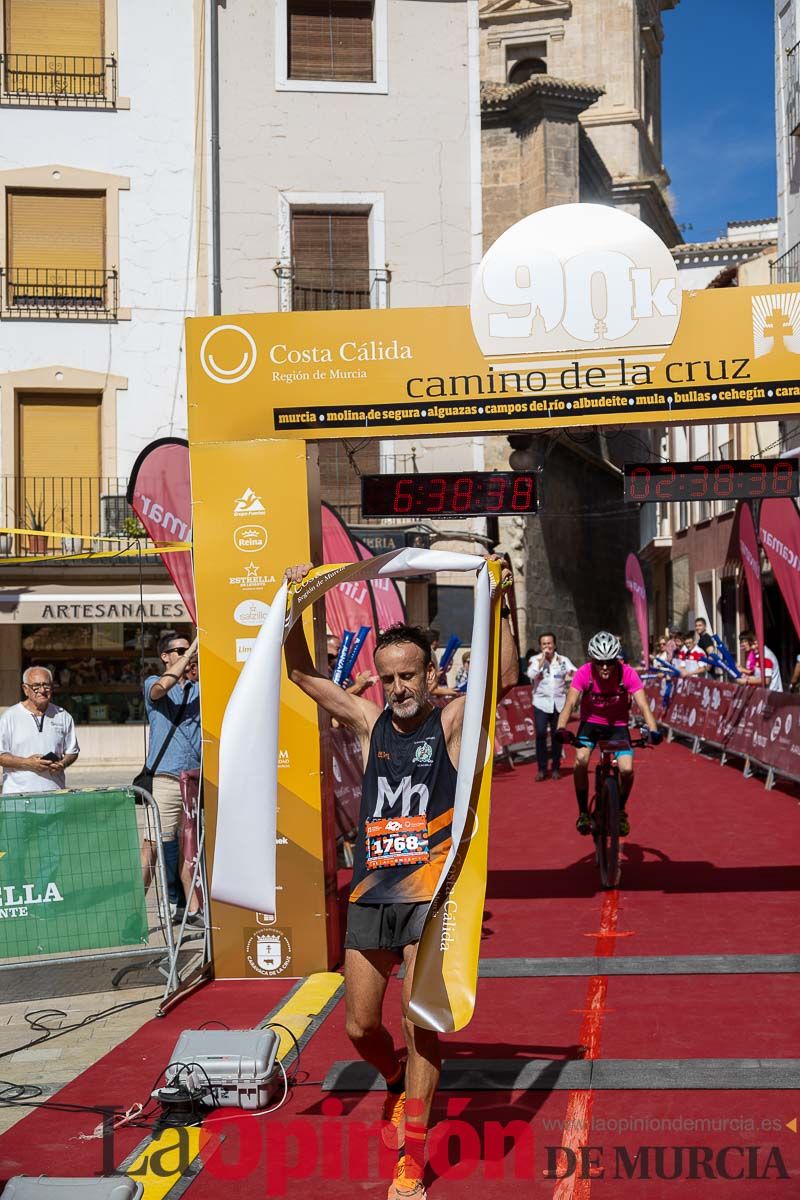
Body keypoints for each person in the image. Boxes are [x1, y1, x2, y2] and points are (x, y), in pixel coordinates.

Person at [284, 557, 519, 1200]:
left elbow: (503, 677)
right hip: (371, 892)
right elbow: (303, 673)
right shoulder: (367, 723)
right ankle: (393, 1083)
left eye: (408, 675)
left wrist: (499, 596)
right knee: (361, 1027)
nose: (397, 688)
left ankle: (411, 1161)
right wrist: (295, 603)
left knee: (422, 1023)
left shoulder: (447, 722)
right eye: (388, 678)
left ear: (430, 673)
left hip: (428, 894)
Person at [555, 631, 661, 838]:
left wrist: (654, 730)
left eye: (610, 662)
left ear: (617, 660)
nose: (605, 667)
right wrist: (561, 728)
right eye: (600, 662)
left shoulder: (627, 673)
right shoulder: (584, 673)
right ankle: (584, 812)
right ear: (592, 660)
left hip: (617, 727)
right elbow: (570, 703)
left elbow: (643, 705)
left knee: (627, 770)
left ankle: (620, 810)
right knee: (581, 761)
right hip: (590, 725)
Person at [142, 633, 202, 921]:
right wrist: (191, 650)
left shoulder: (198, 688)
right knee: (157, 845)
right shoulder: (154, 683)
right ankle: (145, 908)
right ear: (165, 656)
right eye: (178, 650)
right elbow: (160, 689)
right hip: (166, 778)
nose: (186, 654)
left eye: (187, 649)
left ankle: (190, 907)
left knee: (189, 846)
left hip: (194, 780)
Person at [0, 667, 79, 794]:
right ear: (25, 689)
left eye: (46, 685)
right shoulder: (9, 717)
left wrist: (62, 764)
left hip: (55, 795)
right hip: (18, 797)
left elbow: (72, 751)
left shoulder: (63, 715)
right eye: (36, 686)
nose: (42, 690)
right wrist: (27, 763)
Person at [527, 632, 576, 781]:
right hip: (541, 703)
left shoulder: (563, 660)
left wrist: (573, 675)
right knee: (541, 734)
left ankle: (555, 767)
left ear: (554, 645)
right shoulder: (534, 660)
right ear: (540, 646)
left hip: (559, 704)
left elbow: (575, 673)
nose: (547, 646)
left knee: (557, 736)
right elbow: (531, 674)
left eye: (549, 643)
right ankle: (542, 768)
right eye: (544, 644)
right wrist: (542, 660)